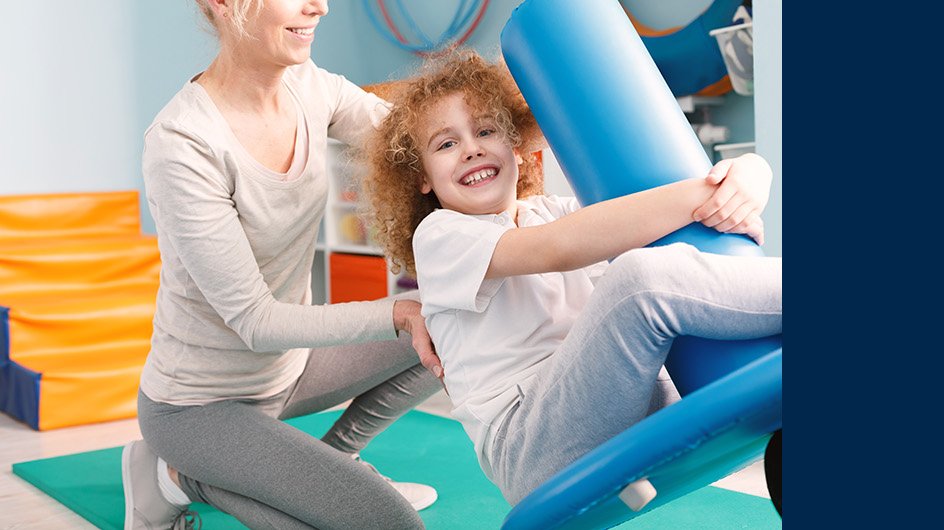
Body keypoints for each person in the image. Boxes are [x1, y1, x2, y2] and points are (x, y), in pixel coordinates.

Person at [360, 50, 782, 504]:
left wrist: (751, 174)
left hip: (623, 406)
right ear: (422, 177)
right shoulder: (440, 236)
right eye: (446, 144)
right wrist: (708, 195)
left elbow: (644, 221)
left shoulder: (552, 210)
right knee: (637, 282)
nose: (472, 148)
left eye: (486, 130)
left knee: (666, 253)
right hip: (530, 445)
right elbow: (559, 247)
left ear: (518, 149)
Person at [126, 1, 445, 528]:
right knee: (390, 523)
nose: (318, 5)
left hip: (293, 371)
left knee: (459, 315)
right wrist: (400, 312)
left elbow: (407, 145)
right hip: (199, 408)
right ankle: (175, 476)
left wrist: (503, 164)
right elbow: (256, 323)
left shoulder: (310, 85)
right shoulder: (183, 143)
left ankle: (340, 454)